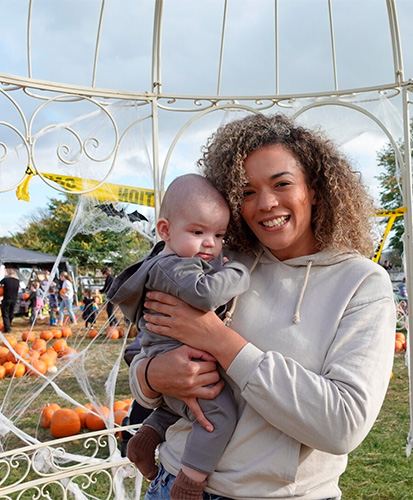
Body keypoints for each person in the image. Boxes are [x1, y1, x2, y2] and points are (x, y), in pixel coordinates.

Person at [129, 113, 396, 500]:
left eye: (282, 184)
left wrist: (221, 341)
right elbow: (147, 344)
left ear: (315, 189)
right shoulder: (219, 265)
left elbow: (343, 425)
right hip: (173, 483)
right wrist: (153, 376)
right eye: (247, 191)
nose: (266, 203)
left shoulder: (361, 283)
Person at [108, 174, 250, 497]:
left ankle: (145, 439)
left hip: (168, 359)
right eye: (198, 232)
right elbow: (204, 293)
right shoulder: (175, 266)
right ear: (165, 230)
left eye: (218, 234)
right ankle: (189, 481)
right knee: (219, 414)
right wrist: (238, 272)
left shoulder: (168, 261)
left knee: (179, 406)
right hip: (175, 360)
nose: (210, 243)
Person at [0, 268, 20, 333]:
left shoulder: (5, 280)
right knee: (11, 313)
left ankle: (7, 329)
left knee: (5, 314)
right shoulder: (17, 281)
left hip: (6, 299)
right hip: (14, 299)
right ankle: (8, 324)